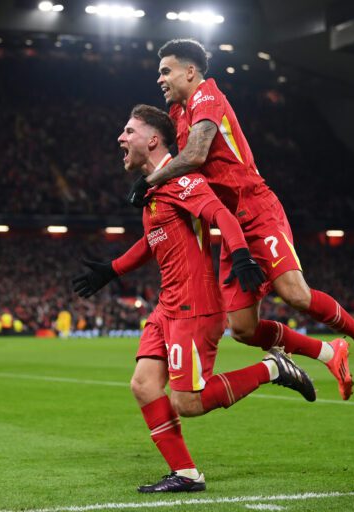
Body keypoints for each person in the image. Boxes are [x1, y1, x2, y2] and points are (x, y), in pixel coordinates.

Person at [73, 104, 317, 493]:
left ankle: (273, 368)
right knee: (143, 384)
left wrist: (239, 256)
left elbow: (223, 215)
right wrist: (112, 269)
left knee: (187, 401)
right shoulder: (155, 185)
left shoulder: (182, 179)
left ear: (152, 139)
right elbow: (153, 241)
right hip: (167, 304)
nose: (121, 138)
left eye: (128, 131)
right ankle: (186, 474)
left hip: (194, 305)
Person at [126, 38, 354, 385]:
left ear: (190, 71)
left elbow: (194, 155)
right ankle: (330, 353)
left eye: (166, 71)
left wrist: (151, 181)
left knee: (295, 294)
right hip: (230, 225)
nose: (159, 78)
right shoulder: (179, 113)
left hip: (255, 208)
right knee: (242, 328)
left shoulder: (208, 96)